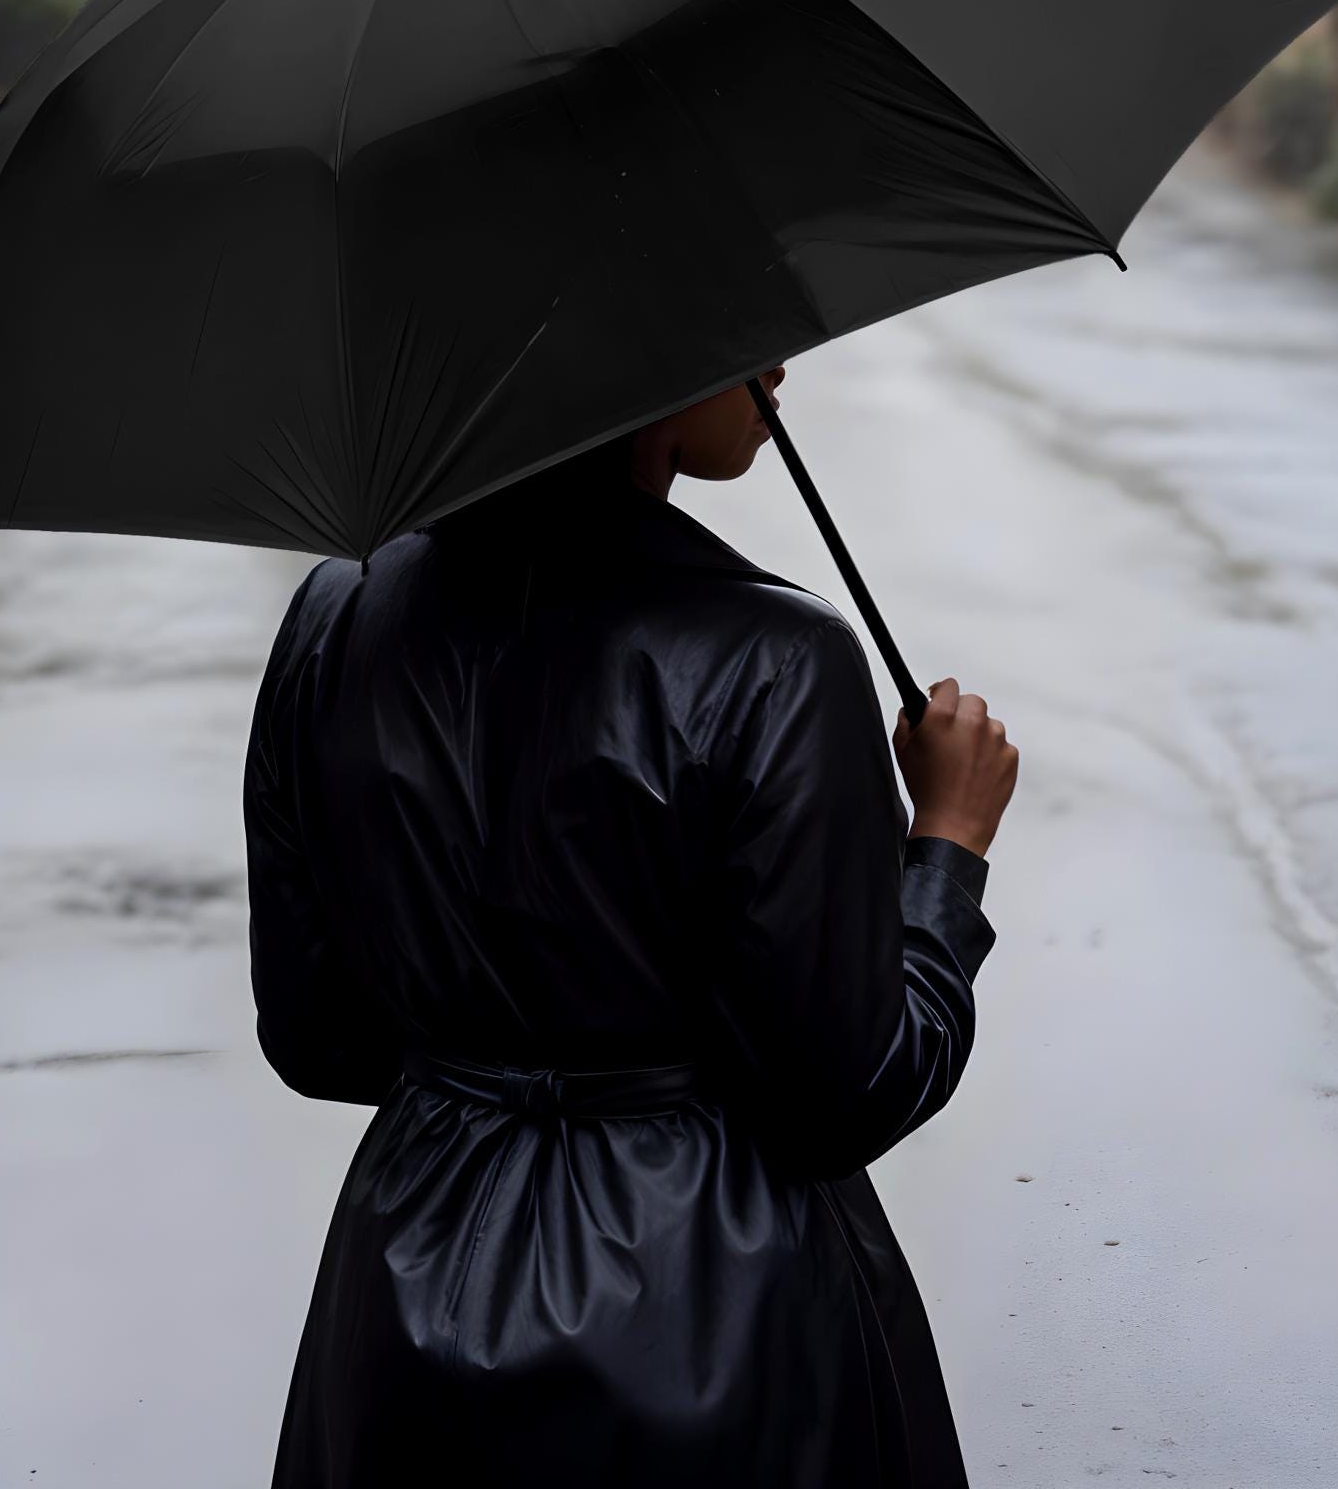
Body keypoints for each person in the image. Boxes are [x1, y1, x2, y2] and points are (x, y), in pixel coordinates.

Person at [246, 368, 1019, 1487]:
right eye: (743, 325)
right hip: (721, 1323)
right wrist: (946, 845)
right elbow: (846, 1093)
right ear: (643, 367)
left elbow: (318, 1036)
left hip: (407, 1300)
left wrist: (486, 1045)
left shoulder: (333, 619)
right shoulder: (778, 662)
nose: (780, 360)